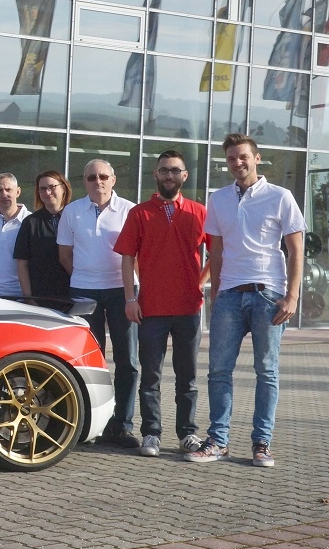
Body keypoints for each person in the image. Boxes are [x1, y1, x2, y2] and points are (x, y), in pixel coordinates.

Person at [186, 133, 305, 468]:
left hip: (269, 295)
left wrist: (292, 295)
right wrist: (217, 293)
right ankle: (218, 441)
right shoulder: (219, 199)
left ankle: (262, 443)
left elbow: (296, 250)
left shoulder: (280, 197)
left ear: (257, 158)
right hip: (229, 295)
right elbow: (216, 250)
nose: (237, 163)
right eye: (231, 159)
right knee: (218, 371)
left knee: (266, 371)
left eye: (243, 157)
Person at [114, 150, 208, 457]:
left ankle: (187, 434)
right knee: (150, 377)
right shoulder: (139, 213)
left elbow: (218, 252)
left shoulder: (198, 212)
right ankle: (151, 433)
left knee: (187, 378)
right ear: (155, 174)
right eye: (164, 170)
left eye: (175, 170)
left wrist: (200, 282)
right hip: (151, 308)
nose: (169, 175)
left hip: (189, 309)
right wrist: (130, 297)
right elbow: (127, 257)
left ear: (185, 175)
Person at [57, 159, 139, 449]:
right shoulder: (72, 211)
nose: (98, 181)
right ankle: (92, 425)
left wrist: (133, 293)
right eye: (92, 177)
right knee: (89, 360)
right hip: (84, 291)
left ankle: (123, 425)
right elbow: (65, 255)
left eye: (104, 176)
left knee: (127, 360)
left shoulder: (129, 210)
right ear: (84, 181)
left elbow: (137, 256)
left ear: (113, 180)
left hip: (122, 290)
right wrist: (85, 276)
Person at [13, 171, 71, 301]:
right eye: (43, 189)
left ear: (63, 188)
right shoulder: (30, 222)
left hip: (74, 294)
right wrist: (29, 298)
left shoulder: (77, 218)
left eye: (52, 187)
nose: (47, 192)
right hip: (41, 297)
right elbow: (22, 263)